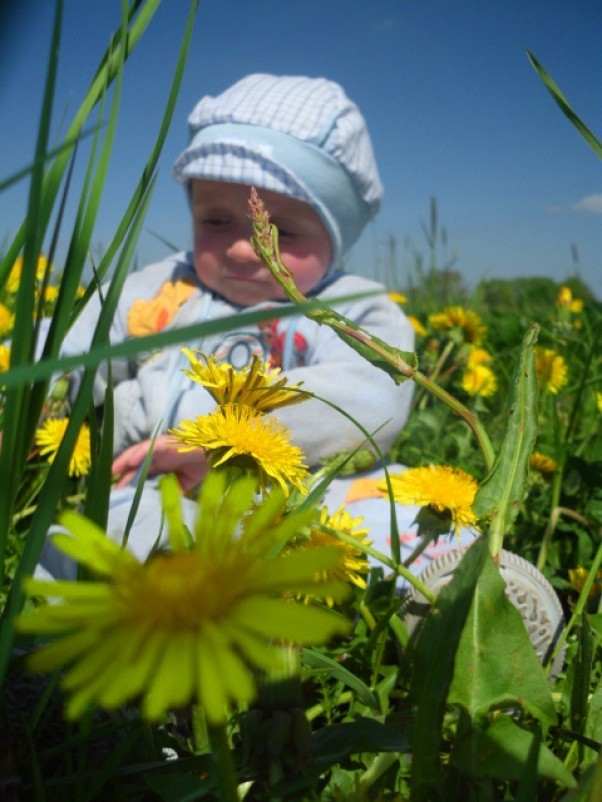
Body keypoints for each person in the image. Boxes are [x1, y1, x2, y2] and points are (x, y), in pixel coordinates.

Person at [36, 73, 475, 582]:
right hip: (160, 484)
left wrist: (225, 440)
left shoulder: (351, 307)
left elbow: (374, 397)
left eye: (281, 231)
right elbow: (73, 345)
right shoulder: (162, 287)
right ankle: (76, 636)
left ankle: (460, 598)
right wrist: (23, 399)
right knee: (101, 530)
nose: (244, 247)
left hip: (298, 493)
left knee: (399, 512)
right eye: (217, 222)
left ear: (338, 237)